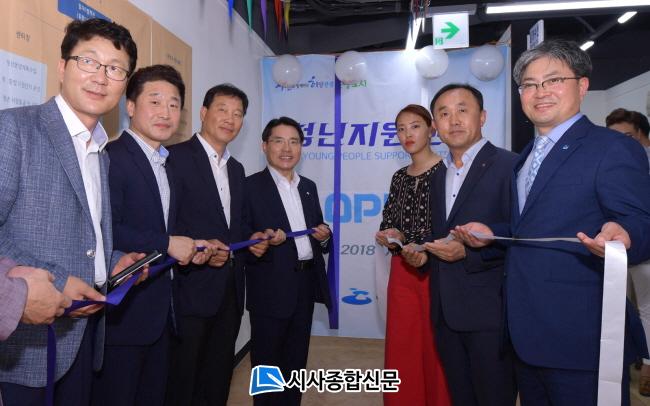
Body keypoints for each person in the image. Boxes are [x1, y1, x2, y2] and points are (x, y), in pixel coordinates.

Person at [454, 39, 650, 406]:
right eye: (530, 84)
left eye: (554, 80)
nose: (540, 92)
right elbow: (531, 230)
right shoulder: (526, 156)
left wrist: (625, 234)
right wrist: (493, 234)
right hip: (526, 336)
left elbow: (641, 221)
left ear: (582, 85)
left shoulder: (612, 147)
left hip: (582, 338)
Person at [0, 18, 144, 405]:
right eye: (89, 61)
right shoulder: (13, 129)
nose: (101, 77)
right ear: (63, 66)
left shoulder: (101, 152)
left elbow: (83, 235)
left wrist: (112, 261)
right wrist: (61, 279)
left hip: (83, 337)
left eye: (115, 69)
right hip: (24, 347)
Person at [91, 65, 216, 406]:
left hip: (162, 315)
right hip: (124, 317)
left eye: (174, 105)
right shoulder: (111, 158)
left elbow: (163, 228)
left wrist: (192, 247)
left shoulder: (167, 164)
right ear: (130, 106)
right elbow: (104, 230)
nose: (165, 112)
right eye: (155, 102)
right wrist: (168, 244)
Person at [400, 85, 517, 406]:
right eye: (444, 113)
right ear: (435, 125)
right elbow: (442, 234)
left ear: (483, 116)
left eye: (462, 110)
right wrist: (423, 256)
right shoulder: (440, 175)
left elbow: (523, 234)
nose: (453, 120)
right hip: (445, 312)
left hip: (491, 313)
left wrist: (470, 251)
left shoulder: (510, 166)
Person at [165, 84, 255, 406]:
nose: (230, 119)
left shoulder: (236, 169)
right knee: (183, 379)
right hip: (189, 288)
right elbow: (166, 222)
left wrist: (253, 240)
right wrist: (198, 248)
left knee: (218, 377)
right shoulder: (174, 158)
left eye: (238, 114)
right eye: (222, 110)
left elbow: (236, 226)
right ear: (203, 113)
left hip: (230, 291)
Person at [244, 116, 331, 406]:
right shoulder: (249, 187)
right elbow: (243, 237)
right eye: (278, 141)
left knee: (295, 365)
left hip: (304, 285)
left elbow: (317, 232)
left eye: (294, 142)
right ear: (264, 146)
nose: (287, 149)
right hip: (269, 288)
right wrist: (259, 241)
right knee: (267, 365)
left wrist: (324, 237)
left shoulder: (308, 187)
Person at [374, 104, 451, 406]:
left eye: (415, 126)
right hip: (403, 271)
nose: (407, 134)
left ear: (431, 129)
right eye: (401, 129)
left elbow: (451, 227)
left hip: (438, 270)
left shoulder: (448, 171)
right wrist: (391, 235)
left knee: (437, 345)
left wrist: (424, 248)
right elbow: (390, 221)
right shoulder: (399, 177)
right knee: (402, 343)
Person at [606, 107, 650, 397]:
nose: (620, 142)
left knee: (646, 307)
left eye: (627, 136)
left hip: (644, 246)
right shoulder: (610, 162)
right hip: (616, 247)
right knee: (621, 305)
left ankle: (647, 367)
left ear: (642, 135)